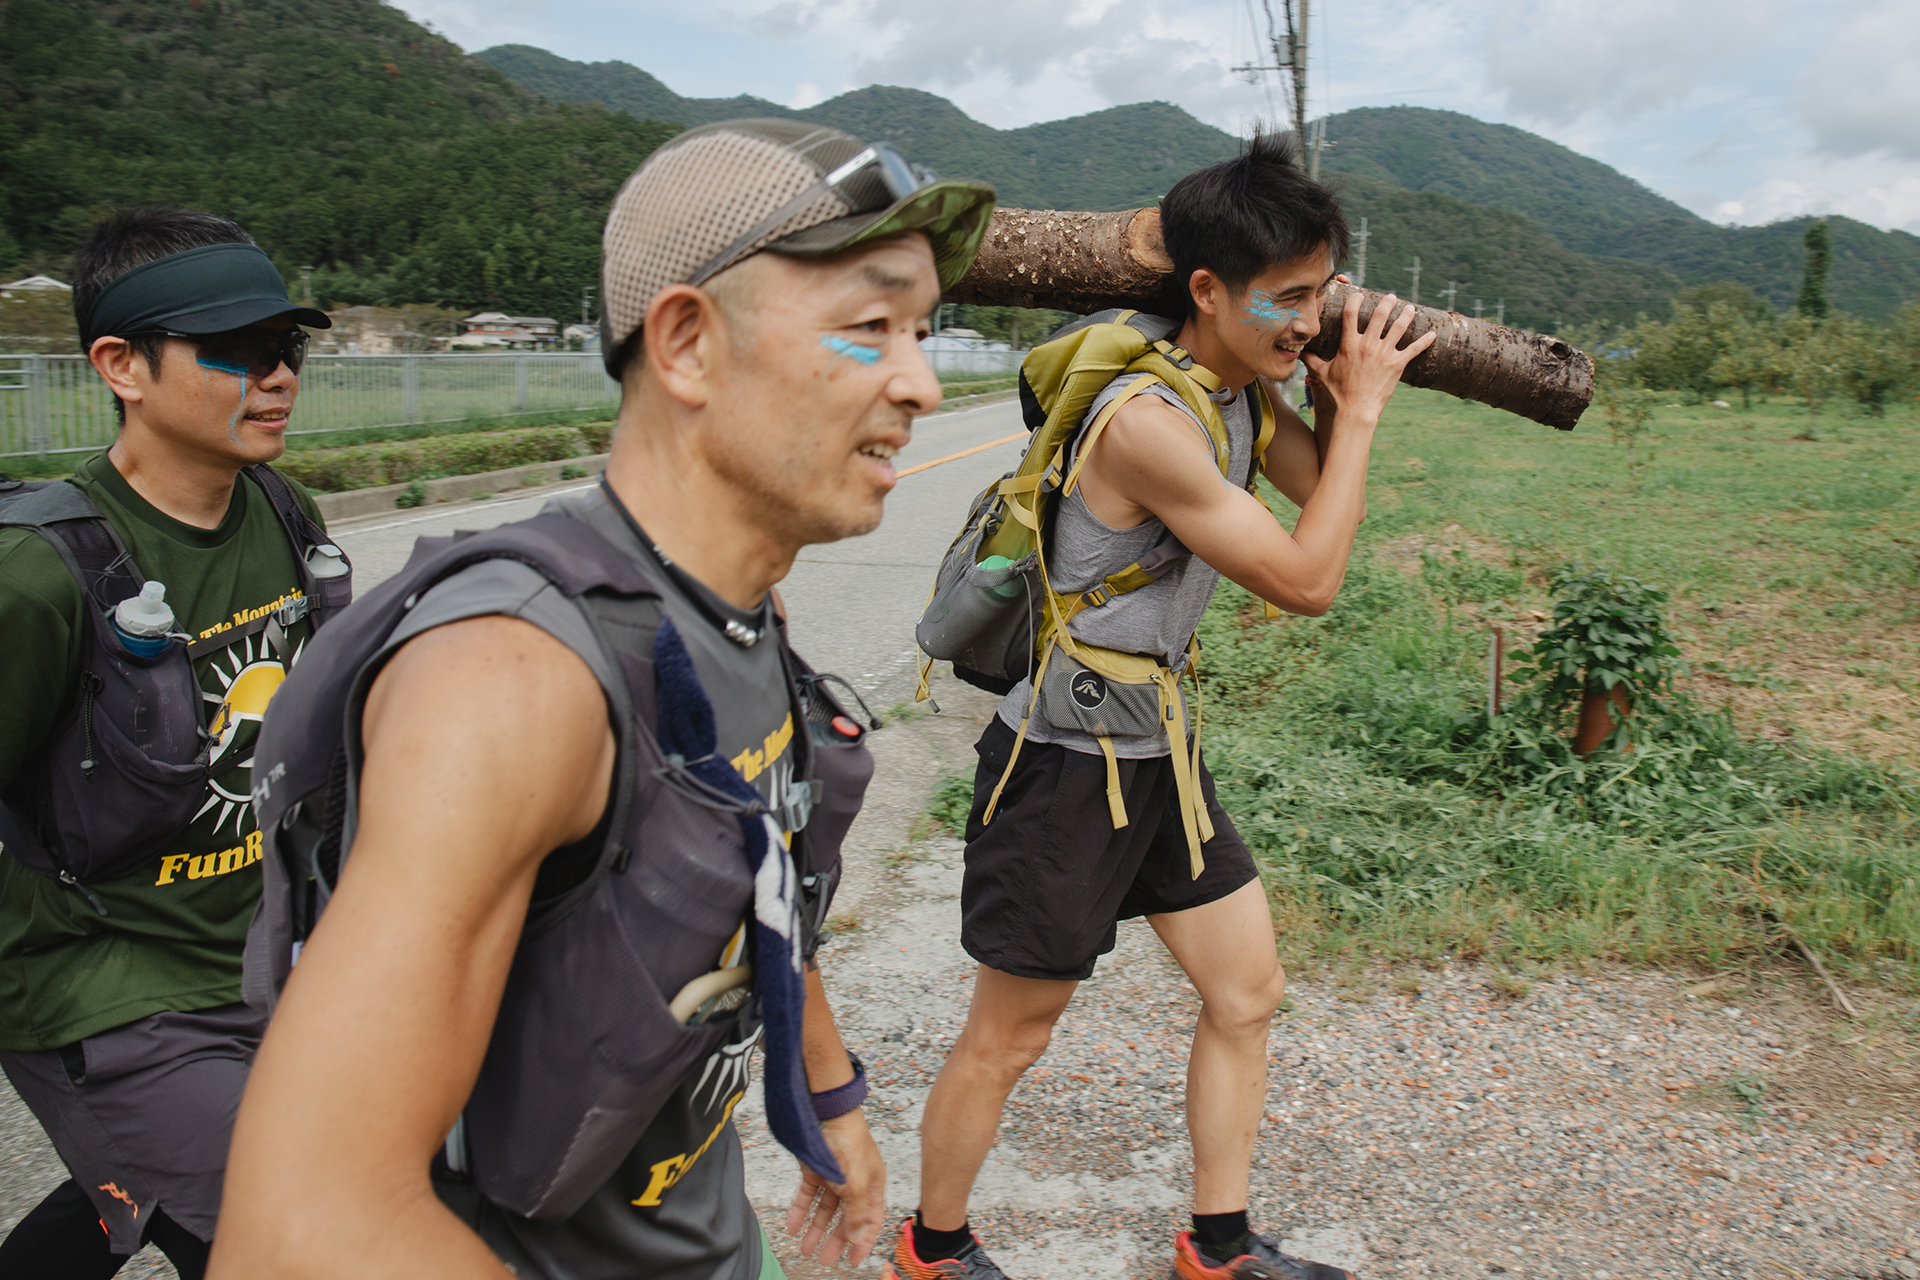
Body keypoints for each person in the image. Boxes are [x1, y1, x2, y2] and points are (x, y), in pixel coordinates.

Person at [208, 120, 996, 1280]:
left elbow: (751, 867)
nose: (921, 381)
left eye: (922, 330)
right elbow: (303, 1233)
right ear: (685, 343)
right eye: (869, 327)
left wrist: (829, 1098)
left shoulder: (736, 611)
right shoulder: (513, 680)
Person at [888, 132, 1434, 1280]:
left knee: (1247, 991)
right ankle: (931, 1250)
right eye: (1286, 298)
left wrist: (1335, 393)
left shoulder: (1238, 389)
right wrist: (1368, 417)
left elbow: (1311, 487)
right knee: (1012, 1034)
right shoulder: (1150, 419)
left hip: (1157, 750)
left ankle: (1218, 1247)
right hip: (1066, 760)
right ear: (1205, 292)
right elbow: (1308, 578)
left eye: (1321, 292)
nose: (1308, 317)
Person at [0, 207, 343, 1278]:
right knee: (292, 1236)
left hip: (253, 960)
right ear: (121, 365)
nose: (276, 376)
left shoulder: (285, 511)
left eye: (284, 348)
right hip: (100, 982)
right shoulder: (39, 572)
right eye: (234, 351)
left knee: (180, 1172)